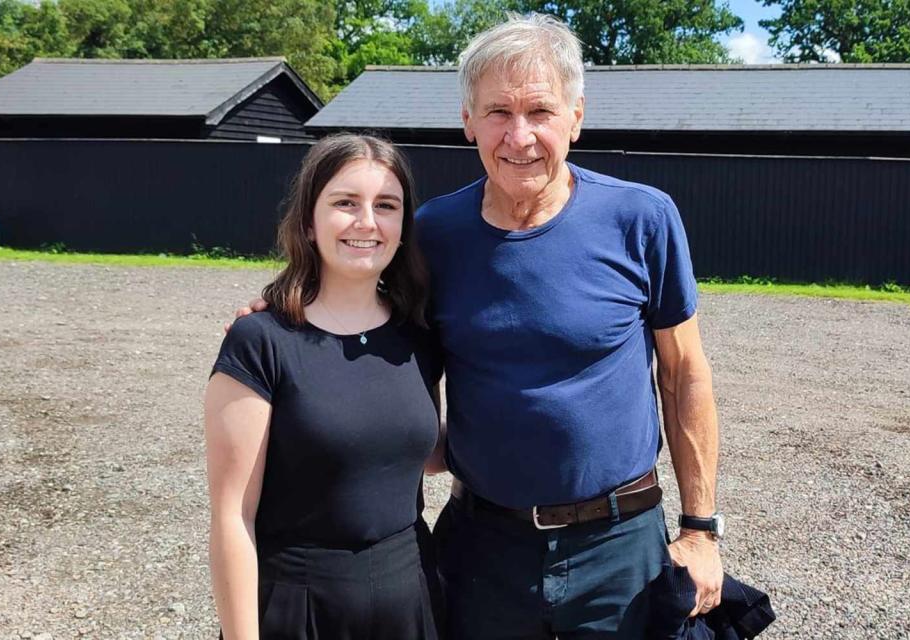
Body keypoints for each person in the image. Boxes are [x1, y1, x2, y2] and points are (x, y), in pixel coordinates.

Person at [233, 14, 724, 640]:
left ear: (576, 116)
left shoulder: (642, 219)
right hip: (484, 547)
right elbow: (357, 308)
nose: (519, 136)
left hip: (619, 546)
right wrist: (281, 315)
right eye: (497, 112)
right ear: (467, 121)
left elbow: (684, 375)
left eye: (540, 111)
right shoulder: (434, 234)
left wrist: (701, 529)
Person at [205, 134, 443, 639]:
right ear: (309, 222)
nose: (366, 222)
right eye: (344, 203)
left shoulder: (418, 335)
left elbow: (416, 453)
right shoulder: (260, 341)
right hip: (300, 606)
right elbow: (233, 519)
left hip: (411, 596)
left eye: (386, 205)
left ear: (403, 226)